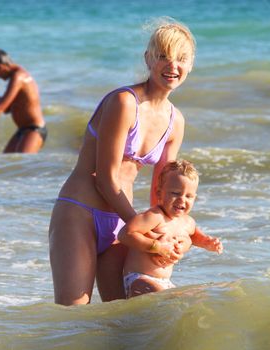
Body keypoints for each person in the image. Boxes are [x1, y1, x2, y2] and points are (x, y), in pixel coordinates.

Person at [49, 17, 201, 305]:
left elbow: (162, 192)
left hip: (122, 224)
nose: (172, 65)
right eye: (163, 56)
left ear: (190, 65)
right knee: (74, 314)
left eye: (181, 59)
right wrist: (140, 229)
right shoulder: (124, 102)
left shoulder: (175, 121)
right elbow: (106, 179)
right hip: (80, 211)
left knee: (122, 317)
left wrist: (177, 235)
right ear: (148, 59)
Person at [118, 160, 223, 298]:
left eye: (189, 196)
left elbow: (194, 236)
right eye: (175, 193)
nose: (182, 200)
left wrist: (206, 243)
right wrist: (156, 246)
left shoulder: (187, 222)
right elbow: (125, 234)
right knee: (166, 298)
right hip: (140, 278)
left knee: (196, 298)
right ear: (159, 193)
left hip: (165, 282)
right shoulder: (155, 216)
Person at [0, 49, 46, 153]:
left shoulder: (19, 76)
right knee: (5, 163)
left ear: (1, 66)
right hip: (22, 130)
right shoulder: (15, 77)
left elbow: (1, 107)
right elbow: (7, 109)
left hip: (34, 129)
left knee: (23, 164)